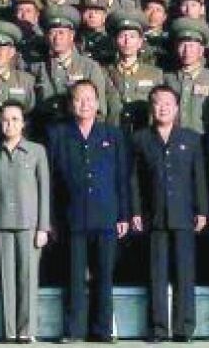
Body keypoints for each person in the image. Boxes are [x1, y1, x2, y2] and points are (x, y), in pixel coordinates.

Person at [47, 79, 131, 342]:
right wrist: (50, 219)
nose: (84, 104)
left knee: (104, 275)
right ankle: (73, 330)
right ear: (71, 104)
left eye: (89, 99)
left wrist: (124, 214)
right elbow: (50, 180)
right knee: (73, 275)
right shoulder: (58, 135)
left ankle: (102, 329)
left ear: (97, 103)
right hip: (71, 215)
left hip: (106, 215)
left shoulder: (112, 135)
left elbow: (122, 178)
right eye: (78, 99)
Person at [130, 85, 207, 342]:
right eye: (157, 103)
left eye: (167, 103)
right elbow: (134, 180)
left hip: (184, 215)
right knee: (156, 274)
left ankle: (184, 328)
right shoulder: (140, 139)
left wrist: (202, 210)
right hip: (154, 215)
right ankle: (158, 328)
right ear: (151, 108)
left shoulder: (191, 138)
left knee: (185, 273)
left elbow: (199, 178)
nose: (162, 108)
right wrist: (135, 211)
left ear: (176, 108)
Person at [0, 101, 49, 343]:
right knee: (7, 278)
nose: (9, 124)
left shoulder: (36, 151)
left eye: (15, 119)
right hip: (1, 222)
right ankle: (10, 330)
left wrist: (43, 227)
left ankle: (26, 330)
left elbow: (44, 190)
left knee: (28, 277)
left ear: (23, 123)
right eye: (5, 120)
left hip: (29, 223)